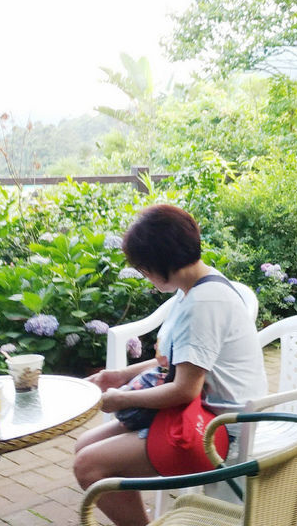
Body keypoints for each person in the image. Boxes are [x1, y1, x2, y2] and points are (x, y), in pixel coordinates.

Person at [73, 205, 267, 526]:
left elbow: (182, 390)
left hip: (219, 427)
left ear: (161, 262)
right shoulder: (195, 288)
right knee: (85, 445)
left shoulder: (203, 304)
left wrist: (116, 399)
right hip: (200, 409)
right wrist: (119, 375)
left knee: (89, 467)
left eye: (145, 268)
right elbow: (178, 362)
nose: (145, 276)